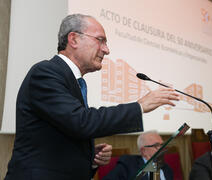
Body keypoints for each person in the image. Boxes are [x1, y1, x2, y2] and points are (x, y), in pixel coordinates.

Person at [4, 14, 180, 180]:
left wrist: (89, 157)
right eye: (100, 40)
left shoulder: (75, 81)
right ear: (73, 39)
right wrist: (139, 106)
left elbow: (68, 129)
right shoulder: (45, 72)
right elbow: (81, 121)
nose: (107, 50)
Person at [103, 130, 173, 180]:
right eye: (157, 145)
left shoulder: (167, 168)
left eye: (162, 145)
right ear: (144, 151)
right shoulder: (128, 165)